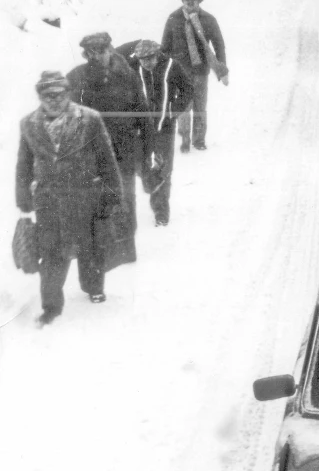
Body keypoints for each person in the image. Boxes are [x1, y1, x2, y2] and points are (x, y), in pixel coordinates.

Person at [16, 70, 123, 324]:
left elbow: (106, 159)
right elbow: (24, 163)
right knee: (51, 251)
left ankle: (94, 287)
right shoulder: (29, 124)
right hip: (48, 198)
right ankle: (51, 305)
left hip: (85, 193)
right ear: (40, 96)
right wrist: (23, 196)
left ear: (68, 93)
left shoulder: (89, 119)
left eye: (60, 94)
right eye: (47, 95)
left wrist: (111, 193)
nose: (54, 100)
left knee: (91, 246)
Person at [67, 31, 149, 265]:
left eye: (102, 51)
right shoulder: (75, 78)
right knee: (97, 201)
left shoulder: (127, 75)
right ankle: (102, 252)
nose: (98, 56)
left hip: (124, 148)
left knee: (126, 197)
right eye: (92, 53)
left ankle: (125, 250)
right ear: (86, 54)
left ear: (110, 49)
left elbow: (142, 112)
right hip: (91, 152)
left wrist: (149, 147)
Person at [114, 39, 194, 226]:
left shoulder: (172, 67)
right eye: (143, 59)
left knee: (163, 167)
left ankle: (161, 213)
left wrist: (175, 108)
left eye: (150, 58)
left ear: (157, 55)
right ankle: (144, 188)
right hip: (140, 129)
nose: (147, 63)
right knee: (140, 167)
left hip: (164, 127)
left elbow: (188, 89)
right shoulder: (132, 68)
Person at [160, 0, 228, 153]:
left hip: (200, 70)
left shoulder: (209, 20)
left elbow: (219, 45)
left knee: (200, 105)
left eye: (194, 0)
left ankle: (199, 140)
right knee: (183, 106)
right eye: (186, 0)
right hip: (180, 72)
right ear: (182, 1)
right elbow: (165, 47)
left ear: (199, 1)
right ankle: (184, 139)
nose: (190, 3)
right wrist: (166, 70)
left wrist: (222, 68)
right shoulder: (173, 19)